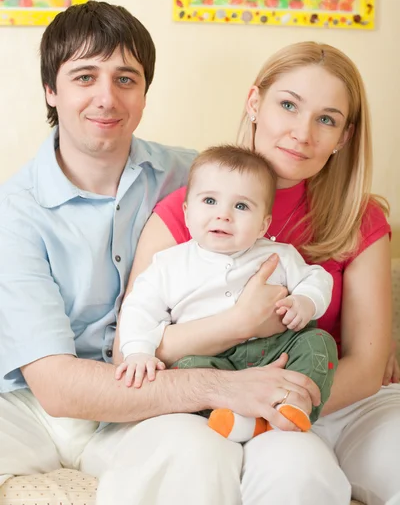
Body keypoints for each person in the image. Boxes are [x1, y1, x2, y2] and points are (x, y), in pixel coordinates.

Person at [0, 1, 322, 505]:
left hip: (151, 400)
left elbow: (280, 209)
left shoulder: (195, 178)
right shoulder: (13, 212)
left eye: (126, 79)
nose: (106, 98)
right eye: (84, 76)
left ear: (145, 93)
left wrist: (366, 328)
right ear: (50, 89)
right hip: (28, 406)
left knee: (202, 455)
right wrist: (217, 389)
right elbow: (58, 389)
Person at [114, 41, 400, 505]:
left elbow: (367, 368)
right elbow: (129, 350)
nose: (302, 133)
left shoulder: (360, 219)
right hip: (218, 398)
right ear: (254, 104)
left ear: (344, 136)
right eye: (288, 105)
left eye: (326, 119)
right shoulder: (188, 211)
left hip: (336, 399)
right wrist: (238, 343)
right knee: (291, 471)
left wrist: (287, 404)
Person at [116, 144, 337, 441]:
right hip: (210, 362)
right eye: (209, 200)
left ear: (263, 224)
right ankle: (236, 419)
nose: (223, 215)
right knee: (184, 370)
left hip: (276, 349)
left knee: (319, 343)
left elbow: (317, 278)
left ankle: (291, 408)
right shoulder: (168, 265)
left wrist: (306, 301)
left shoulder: (279, 255)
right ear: (187, 211)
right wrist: (139, 351)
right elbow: (139, 309)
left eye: (241, 206)